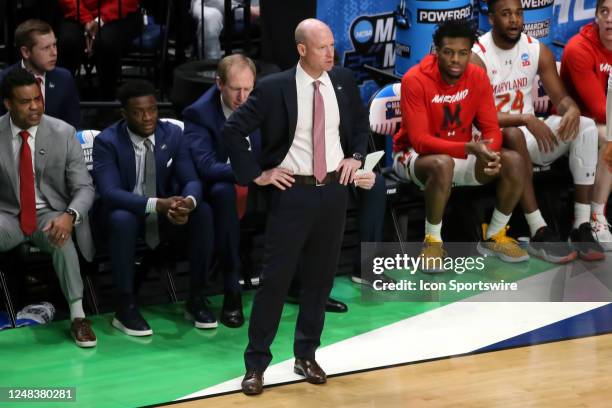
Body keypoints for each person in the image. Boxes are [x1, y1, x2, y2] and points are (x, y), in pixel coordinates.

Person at [222, 18, 369, 395]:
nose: (331, 52)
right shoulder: (274, 88)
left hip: (334, 191)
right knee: (275, 282)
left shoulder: (344, 81)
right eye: (323, 47)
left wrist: (356, 155)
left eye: (332, 45)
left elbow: (359, 124)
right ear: (302, 50)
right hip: (293, 193)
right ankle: (256, 364)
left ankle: (307, 354)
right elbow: (232, 130)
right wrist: (256, 174)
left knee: (320, 280)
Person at [472, 0, 603, 262]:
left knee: (586, 126)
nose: (514, 20)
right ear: (491, 19)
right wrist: (524, 119)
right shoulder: (479, 55)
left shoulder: (535, 49)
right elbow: (479, 117)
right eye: (506, 14)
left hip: (529, 132)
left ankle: (580, 225)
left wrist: (572, 110)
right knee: (514, 133)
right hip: (490, 140)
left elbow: (561, 98)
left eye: (518, 14)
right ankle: (538, 230)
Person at [393, 19, 529, 272]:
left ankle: (495, 236)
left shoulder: (477, 76)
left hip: (461, 150)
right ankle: (432, 243)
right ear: (436, 52)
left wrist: (491, 153)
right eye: (448, 52)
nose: (456, 59)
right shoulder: (415, 79)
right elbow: (420, 141)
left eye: (463, 53)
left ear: (470, 53)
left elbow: (490, 128)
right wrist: (469, 149)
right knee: (442, 163)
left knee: (515, 162)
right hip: (413, 156)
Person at [92, 80, 215, 336]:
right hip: (123, 213)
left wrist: (187, 204)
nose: (148, 117)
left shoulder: (172, 134)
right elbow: (110, 193)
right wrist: (156, 204)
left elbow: (191, 179)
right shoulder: (107, 141)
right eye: (138, 112)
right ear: (124, 114)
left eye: (152, 110)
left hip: (163, 213)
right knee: (122, 219)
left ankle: (196, 299)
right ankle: (125, 307)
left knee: (202, 212)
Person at [0, 68, 96, 347]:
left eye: (38, 99)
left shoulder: (63, 132)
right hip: (7, 214)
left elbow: (84, 188)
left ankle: (78, 317)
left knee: (61, 239)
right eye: (25, 101)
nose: (34, 107)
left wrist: (69, 216)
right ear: (8, 103)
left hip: (50, 213)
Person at [183, 54, 261, 328]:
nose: (242, 97)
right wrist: (255, 172)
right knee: (222, 191)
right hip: (222, 188)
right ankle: (232, 290)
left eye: (248, 89)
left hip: (258, 185)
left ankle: (301, 283)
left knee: (300, 190)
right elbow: (206, 166)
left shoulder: (262, 103)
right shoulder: (199, 114)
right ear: (219, 84)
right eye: (235, 89)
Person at [561, 0, 612, 249]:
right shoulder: (578, 49)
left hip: (605, 121)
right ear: (596, 17)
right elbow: (600, 109)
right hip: (576, 124)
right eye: (605, 12)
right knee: (611, 139)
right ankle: (596, 216)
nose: (610, 18)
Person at [0, 19, 81, 129]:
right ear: (26, 52)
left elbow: (74, 126)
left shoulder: (64, 78)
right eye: (46, 48)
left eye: (54, 45)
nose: (54, 53)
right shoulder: (4, 80)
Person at [56, 0, 140, 100]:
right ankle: (62, 100)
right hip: (78, 12)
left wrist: (99, 21)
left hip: (118, 13)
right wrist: (86, 20)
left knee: (106, 43)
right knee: (68, 41)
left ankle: (108, 101)